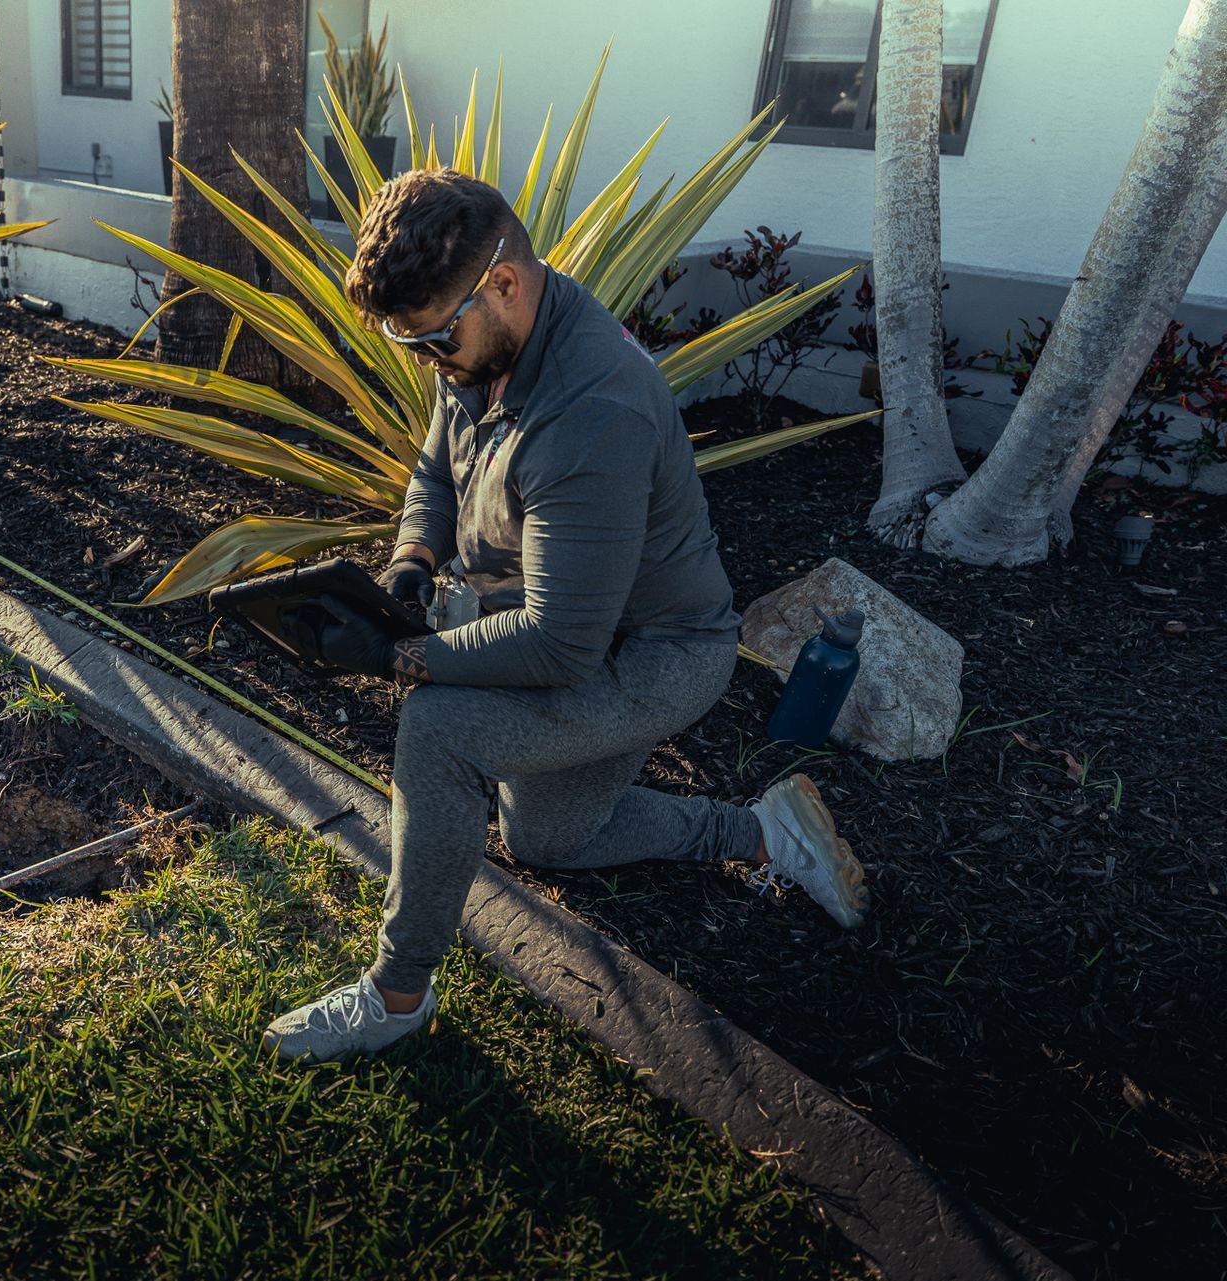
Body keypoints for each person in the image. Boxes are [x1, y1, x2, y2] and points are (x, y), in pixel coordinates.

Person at [261, 170, 871, 1065]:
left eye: (434, 339)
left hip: (656, 656)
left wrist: (402, 658)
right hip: (577, 632)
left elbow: (560, 642)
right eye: (412, 345)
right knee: (544, 838)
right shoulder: (488, 337)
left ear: (503, 283)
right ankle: (761, 832)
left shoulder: (593, 410)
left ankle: (397, 992)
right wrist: (409, 569)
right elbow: (436, 470)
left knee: (438, 729)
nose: (430, 361)